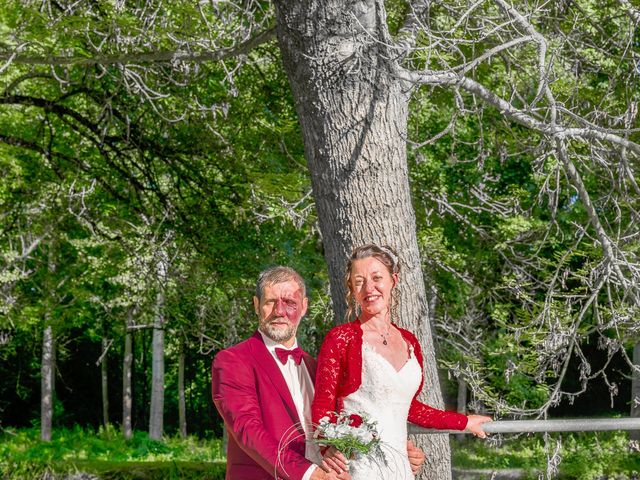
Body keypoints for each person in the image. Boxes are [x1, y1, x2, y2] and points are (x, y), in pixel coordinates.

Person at [211, 266, 425, 480]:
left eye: (290, 303)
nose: (279, 311)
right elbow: (248, 431)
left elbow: (353, 420)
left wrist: (393, 451)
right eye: (270, 302)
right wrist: (311, 474)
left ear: (304, 307)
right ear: (257, 305)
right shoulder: (233, 361)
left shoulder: (315, 366)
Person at [312, 245, 492, 479]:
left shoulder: (410, 342)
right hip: (357, 468)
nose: (369, 288)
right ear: (352, 290)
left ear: (393, 280)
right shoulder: (341, 339)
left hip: (399, 468)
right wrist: (330, 450)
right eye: (359, 281)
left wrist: (463, 422)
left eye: (377, 278)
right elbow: (321, 409)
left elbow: (412, 408)